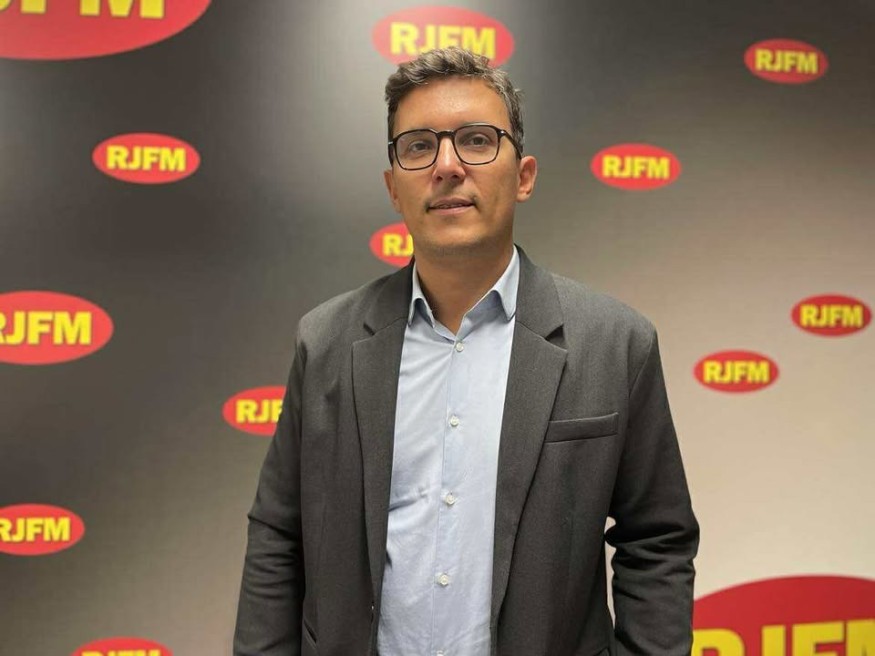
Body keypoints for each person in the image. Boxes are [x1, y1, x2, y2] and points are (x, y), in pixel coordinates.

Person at [234, 46, 699, 656]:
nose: (447, 166)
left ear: (524, 176)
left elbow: (657, 539)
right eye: (418, 147)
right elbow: (278, 533)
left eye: (477, 140)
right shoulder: (326, 342)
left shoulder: (614, 343)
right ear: (393, 187)